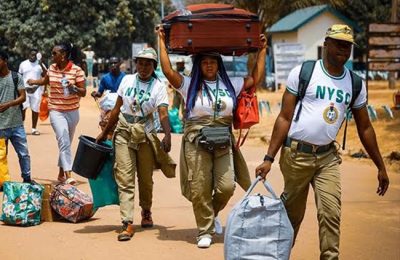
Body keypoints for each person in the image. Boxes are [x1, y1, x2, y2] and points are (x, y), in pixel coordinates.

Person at [255, 24, 390, 259]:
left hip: (327, 157)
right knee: (292, 216)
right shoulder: (304, 72)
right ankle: (278, 255)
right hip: (297, 155)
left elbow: (365, 127)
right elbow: (284, 117)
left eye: (347, 46)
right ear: (326, 44)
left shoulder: (355, 83)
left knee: (330, 213)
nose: (343, 50)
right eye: (338, 44)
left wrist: (380, 165)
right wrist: (269, 158)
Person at [158, 26, 267, 248]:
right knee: (200, 187)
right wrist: (160, 39)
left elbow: (255, 77)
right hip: (196, 142)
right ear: (199, 65)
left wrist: (263, 50)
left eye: (213, 62)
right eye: (204, 62)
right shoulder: (188, 85)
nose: (209, 65)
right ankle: (204, 230)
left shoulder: (231, 84)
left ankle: (211, 213)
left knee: (227, 186)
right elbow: (168, 71)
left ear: (218, 65)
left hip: (223, 141)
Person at [96, 47, 175, 242]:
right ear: (135, 64)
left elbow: (163, 113)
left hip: (145, 134)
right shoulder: (127, 80)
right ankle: (127, 222)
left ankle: (146, 210)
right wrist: (105, 132)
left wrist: (167, 134)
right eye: (140, 62)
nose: (143, 67)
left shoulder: (158, 86)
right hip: (123, 131)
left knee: (145, 178)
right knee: (125, 176)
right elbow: (116, 109)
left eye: (148, 63)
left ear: (154, 66)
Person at [27, 43, 86, 185]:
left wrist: (74, 89)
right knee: (63, 140)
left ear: (63, 55)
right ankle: (68, 174)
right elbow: (45, 81)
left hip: (72, 112)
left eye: (55, 53)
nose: (52, 56)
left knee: (66, 141)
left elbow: (83, 92)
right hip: (56, 111)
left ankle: (61, 173)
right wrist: (34, 82)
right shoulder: (52, 69)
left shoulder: (77, 70)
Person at [0, 50, 32, 183]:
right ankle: (2, 182)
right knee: (1, 156)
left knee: (23, 154)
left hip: (16, 124)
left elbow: (23, 97)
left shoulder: (16, 77)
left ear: (5, 61)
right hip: (1, 125)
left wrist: (8, 104)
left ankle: (27, 178)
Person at [18, 48, 47, 135]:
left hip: (36, 90)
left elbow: (46, 76)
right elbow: (19, 77)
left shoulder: (40, 65)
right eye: (31, 54)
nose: (33, 56)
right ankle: (21, 128)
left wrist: (41, 63)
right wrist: (19, 89)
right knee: (23, 108)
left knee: (35, 109)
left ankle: (34, 129)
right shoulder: (23, 64)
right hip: (25, 90)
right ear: (28, 55)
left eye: (35, 55)